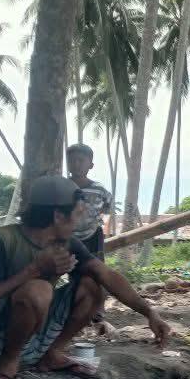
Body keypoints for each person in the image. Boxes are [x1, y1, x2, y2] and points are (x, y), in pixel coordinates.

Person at [0, 175, 172, 379]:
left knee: (93, 286)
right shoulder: (0, 240)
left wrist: (150, 313)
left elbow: (107, 275)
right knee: (39, 288)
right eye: (78, 214)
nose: (80, 222)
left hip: (32, 339)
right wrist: (34, 270)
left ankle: (52, 353)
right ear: (58, 216)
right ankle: (7, 364)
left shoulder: (68, 244)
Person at [66, 143, 114, 335]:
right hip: (67, 236)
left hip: (93, 236)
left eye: (81, 160)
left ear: (90, 165)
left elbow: (107, 209)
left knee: (98, 272)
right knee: (72, 272)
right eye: (72, 160)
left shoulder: (99, 189)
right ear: (67, 164)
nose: (76, 164)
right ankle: (74, 309)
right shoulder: (63, 187)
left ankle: (98, 310)